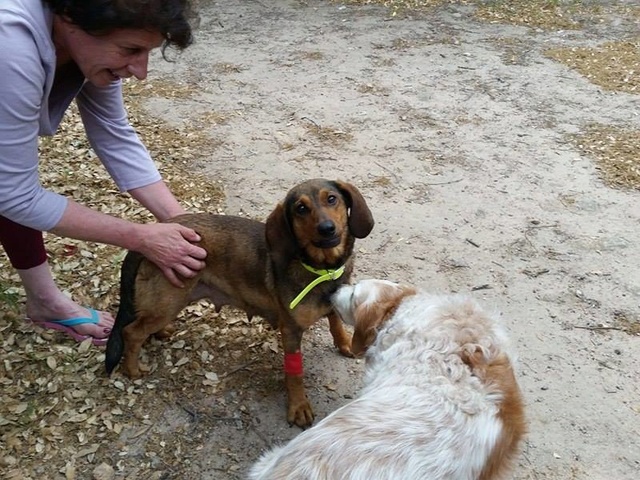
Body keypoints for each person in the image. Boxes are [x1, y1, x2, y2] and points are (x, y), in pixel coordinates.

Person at [0, 0, 207, 346]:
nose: (140, 71)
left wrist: (187, 223)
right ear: (71, 18)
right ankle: (48, 302)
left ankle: (43, 302)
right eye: (131, 49)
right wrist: (141, 237)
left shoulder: (85, 45)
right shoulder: (11, 45)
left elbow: (113, 132)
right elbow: (15, 195)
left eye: (147, 53)